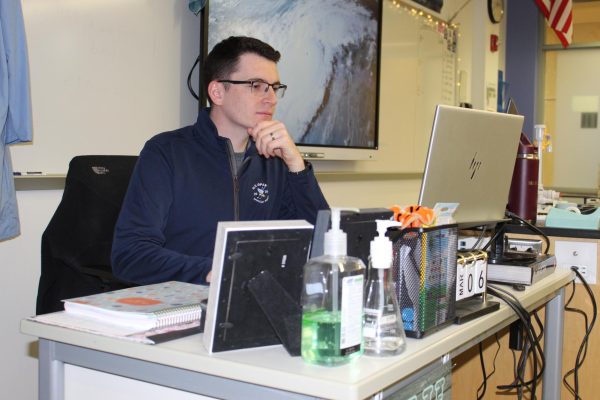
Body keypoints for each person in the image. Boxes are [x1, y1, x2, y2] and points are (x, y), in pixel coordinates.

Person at [111, 36, 329, 285]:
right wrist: (217, 271)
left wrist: (297, 168)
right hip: (185, 304)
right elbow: (130, 255)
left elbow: (323, 245)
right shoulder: (166, 152)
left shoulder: (274, 162)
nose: (272, 99)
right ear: (217, 92)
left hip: (254, 304)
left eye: (274, 87)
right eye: (256, 85)